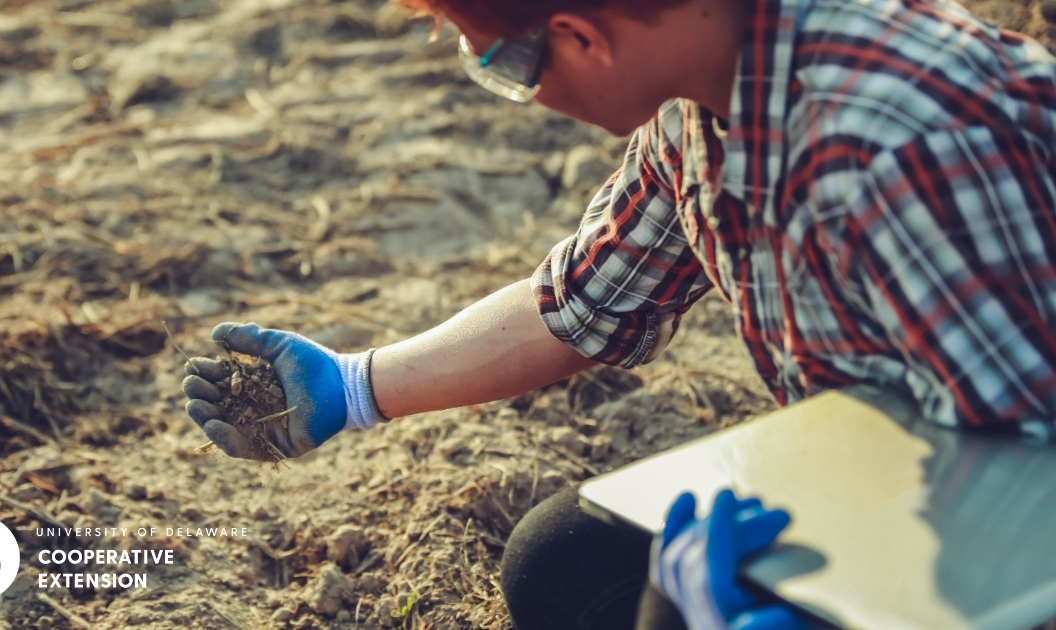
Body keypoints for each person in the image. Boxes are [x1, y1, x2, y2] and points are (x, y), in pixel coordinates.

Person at [179, 0, 1056, 624]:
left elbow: (1029, 464)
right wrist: (356, 384)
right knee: (565, 564)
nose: (502, 81)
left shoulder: (895, 146)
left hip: (1007, 494)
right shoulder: (701, 97)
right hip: (902, 450)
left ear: (581, 38)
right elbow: (583, 302)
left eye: (498, 63)